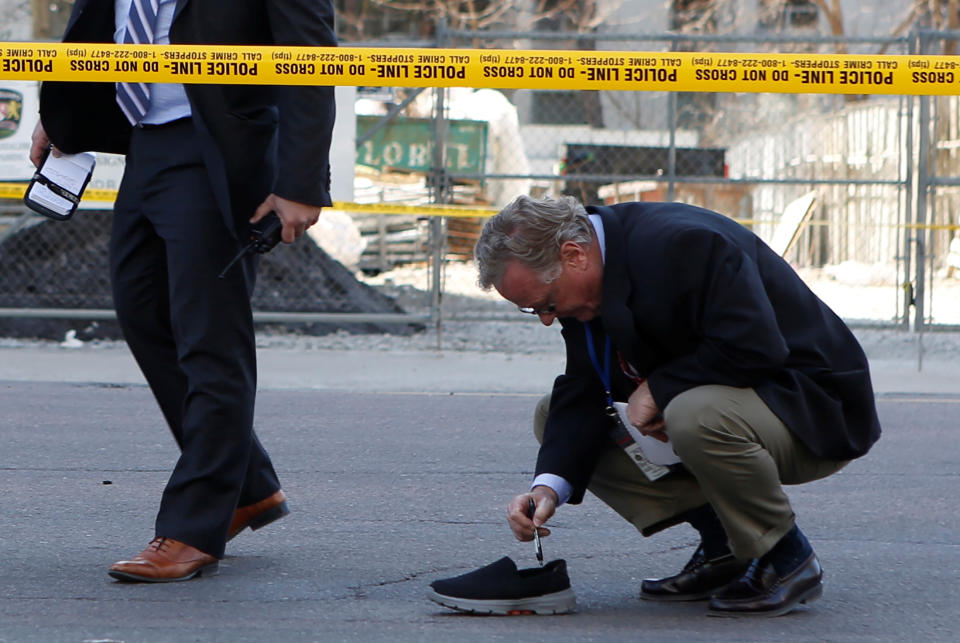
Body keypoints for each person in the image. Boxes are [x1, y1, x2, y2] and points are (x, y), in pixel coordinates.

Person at [29, 0, 336, 582]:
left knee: (208, 338)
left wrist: (301, 182)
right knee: (143, 311)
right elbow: (103, 27)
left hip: (215, 147)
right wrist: (62, 114)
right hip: (146, 140)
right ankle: (247, 486)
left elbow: (310, 57)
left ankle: (194, 527)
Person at [474, 195, 881, 617]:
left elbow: (756, 347)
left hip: (812, 408)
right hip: (737, 399)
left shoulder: (683, 244)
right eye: (533, 309)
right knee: (554, 415)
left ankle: (785, 555)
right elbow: (584, 384)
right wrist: (548, 488)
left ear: (573, 255)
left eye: (545, 303)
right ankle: (727, 546)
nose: (545, 318)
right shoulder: (586, 277)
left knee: (692, 412)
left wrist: (658, 388)